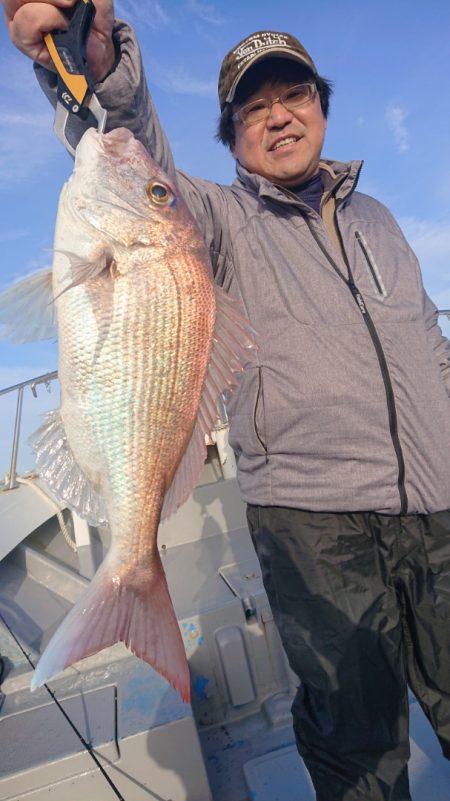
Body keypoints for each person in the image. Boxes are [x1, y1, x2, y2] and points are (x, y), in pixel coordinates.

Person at [3, 2, 450, 799]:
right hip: (316, 527)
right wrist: (99, 66)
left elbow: (428, 344)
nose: (278, 116)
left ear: (321, 106)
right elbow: (134, 142)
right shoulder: (212, 219)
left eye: (294, 94)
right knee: (358, 750)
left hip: (439, 511)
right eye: (253, 108)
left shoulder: (379, 219)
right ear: (232, 136)